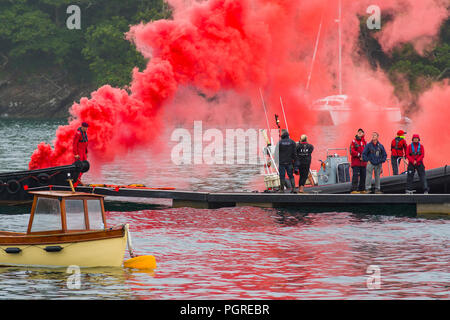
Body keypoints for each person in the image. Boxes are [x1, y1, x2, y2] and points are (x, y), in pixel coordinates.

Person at [349, 128, 367, 193]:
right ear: (357, 133)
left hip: (363, 163)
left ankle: (362, 189)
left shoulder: (365, 142)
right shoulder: (353, 141)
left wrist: (364, 157)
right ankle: (354, 189)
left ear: (363, 134)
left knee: (363, 176)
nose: (360, 132)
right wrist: (359, 155)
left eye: (361, 132)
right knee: (355, 176)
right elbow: (352, 151)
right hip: (356, 163)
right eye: (359, 131)